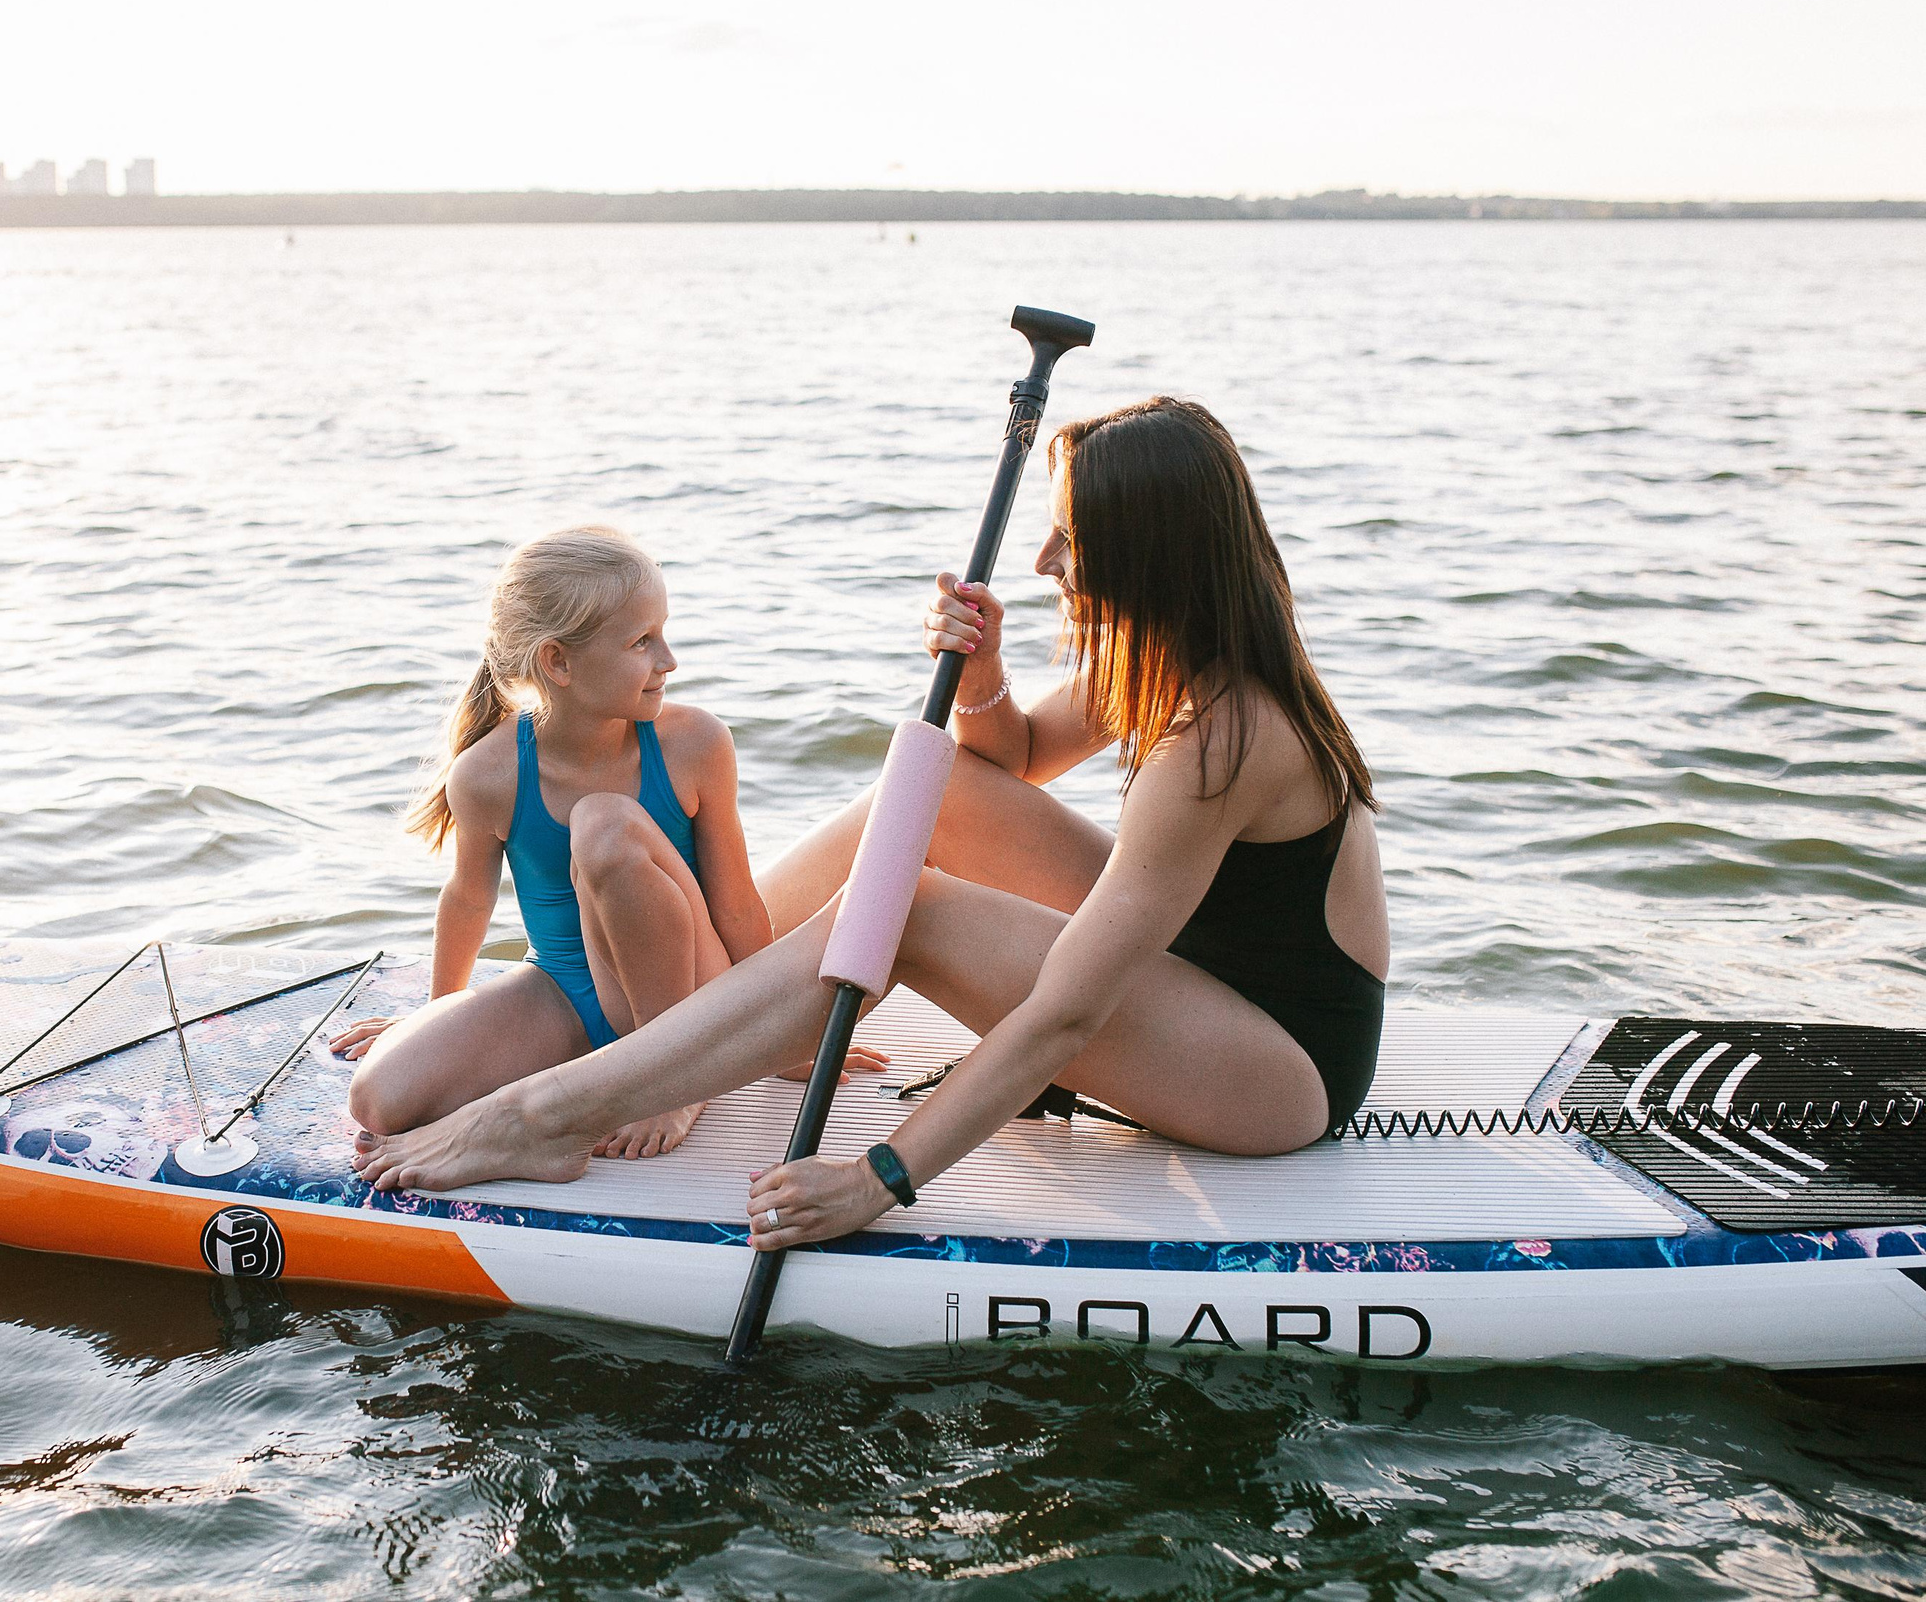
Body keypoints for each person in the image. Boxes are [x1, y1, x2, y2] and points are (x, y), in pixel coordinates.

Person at [354, 397, 1391, 1250]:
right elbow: (1012, 758)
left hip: (1276, 1070)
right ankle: (716, 999)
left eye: (1070, 537)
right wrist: (982, 676)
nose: (1041, 561)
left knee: (911, 911)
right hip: (1203, 969)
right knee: (924, 786)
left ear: (1146, 552)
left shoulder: (1219, 741)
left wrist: (879, 1178)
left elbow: (1067, 1014)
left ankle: (558, 1108)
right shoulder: (1176, 660)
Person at [332, 526, 776, 1158]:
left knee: (604, 825)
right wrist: (437, 1016)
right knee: (379, 1100)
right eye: (641, 641)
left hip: (686, 997)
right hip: (565, 993)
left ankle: (673, 1085)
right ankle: (597, 1088)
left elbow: (734, 907)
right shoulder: (488, 775)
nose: (669, 659)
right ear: (558, 662)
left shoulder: (694, 744)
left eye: (663, 633)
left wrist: (787, 1033)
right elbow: (467, 901)